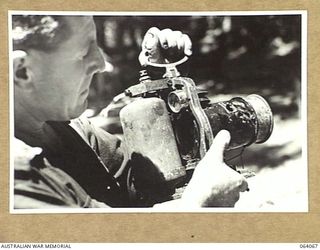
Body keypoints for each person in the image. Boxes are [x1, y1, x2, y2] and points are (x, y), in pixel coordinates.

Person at [12, 15, 248, 209]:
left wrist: (159, 88)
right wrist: (201, 205)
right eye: (83, 53)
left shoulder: (71, 131)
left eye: (97, 46)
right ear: (22, 71)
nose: (101, 64)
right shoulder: (16, 183)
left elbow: (145, 186)